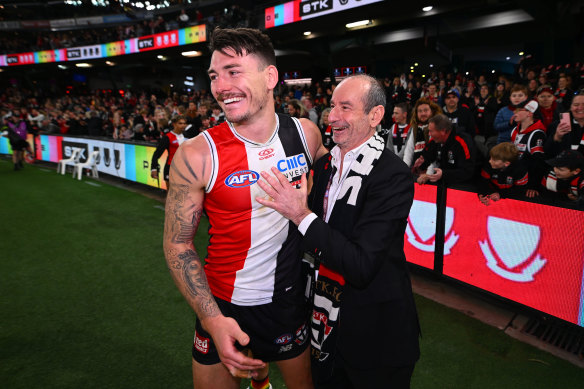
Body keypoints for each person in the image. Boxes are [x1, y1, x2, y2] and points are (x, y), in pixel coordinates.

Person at [163, 27, 326, 389]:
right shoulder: (196, 154)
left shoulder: (305, 136)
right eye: (214, 76)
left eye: (233, 71)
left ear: (270, 77)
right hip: (222, 304)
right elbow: (177, 243)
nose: (220, 86)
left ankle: (261, 375)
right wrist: (212, 320)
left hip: (287, 301)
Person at [256, 74, 420, 389]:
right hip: (323, 333)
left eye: (345, 107)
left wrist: (300, 214)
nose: (332, 117)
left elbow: (360, 265)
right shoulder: (324, 167)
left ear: (375, 116)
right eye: (332, 106)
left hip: (377, 343)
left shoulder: (393, 176)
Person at [414, 113, 475, 186]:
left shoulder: (462, 142)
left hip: (467, 183)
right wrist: (421, 164)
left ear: (443, 131)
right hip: (444, 179)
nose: (429, 134)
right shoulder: (435, 140)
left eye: (431, 131)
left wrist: (443, 174)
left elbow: (467, 172)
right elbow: (427, 155)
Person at [509, 100, 547, 197]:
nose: (514, 113)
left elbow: (538, 162)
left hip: (527, 183)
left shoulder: (537, 134)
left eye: (518, 110)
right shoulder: (514, 130)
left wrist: (533, 186)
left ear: (529, 113)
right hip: (514, 177)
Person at [401, 98, 442, 168]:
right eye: (420, 111)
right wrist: (405, 170)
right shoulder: (415, 129)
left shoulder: (437, 127)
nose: (423, 113)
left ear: (432, 111)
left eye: (426, 110)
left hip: (432, 172)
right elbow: (409, 151)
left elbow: (434, 155)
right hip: (416, 170)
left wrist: (428, 175)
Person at [150, 115, 187, 190]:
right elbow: (157, 154)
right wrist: (153, 168)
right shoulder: (167, 137)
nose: (183, 125)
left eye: (184, 123)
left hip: (185, 168)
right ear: (174, 124)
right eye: (180, 123)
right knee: (171, 194)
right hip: (171, 168)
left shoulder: (187, 135)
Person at [545, 93, 584, 157]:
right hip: (562, 165)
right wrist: (557, 137)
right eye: (576, 105)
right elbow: (547, 152)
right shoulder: (558, 125)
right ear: (571, 107)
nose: (580, 108)